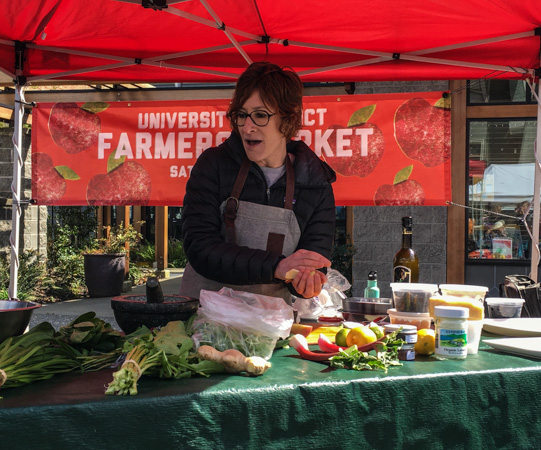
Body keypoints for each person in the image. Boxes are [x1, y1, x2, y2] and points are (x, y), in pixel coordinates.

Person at [178, 62, 336, 305]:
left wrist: (308, 281)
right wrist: (277, 266)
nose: (247, 127)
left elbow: (315, 260)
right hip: (203, 320)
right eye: (241, 115)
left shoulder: (315, 183)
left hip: (269, 328)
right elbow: (200, 248)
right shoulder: (213, 165)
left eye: (260, 115)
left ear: (288, 118)